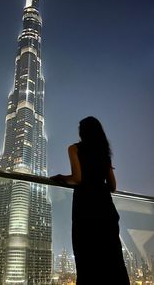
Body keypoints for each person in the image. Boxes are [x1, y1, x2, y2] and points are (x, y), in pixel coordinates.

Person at [50, 116, 130, 285]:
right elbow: (113, 186)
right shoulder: (104, 153)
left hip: (85, 208)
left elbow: (77, 178)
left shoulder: (74, 148)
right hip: (106, 208)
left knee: (86, 258)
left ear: (82, 131)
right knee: (112, 259)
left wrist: (60, 177)